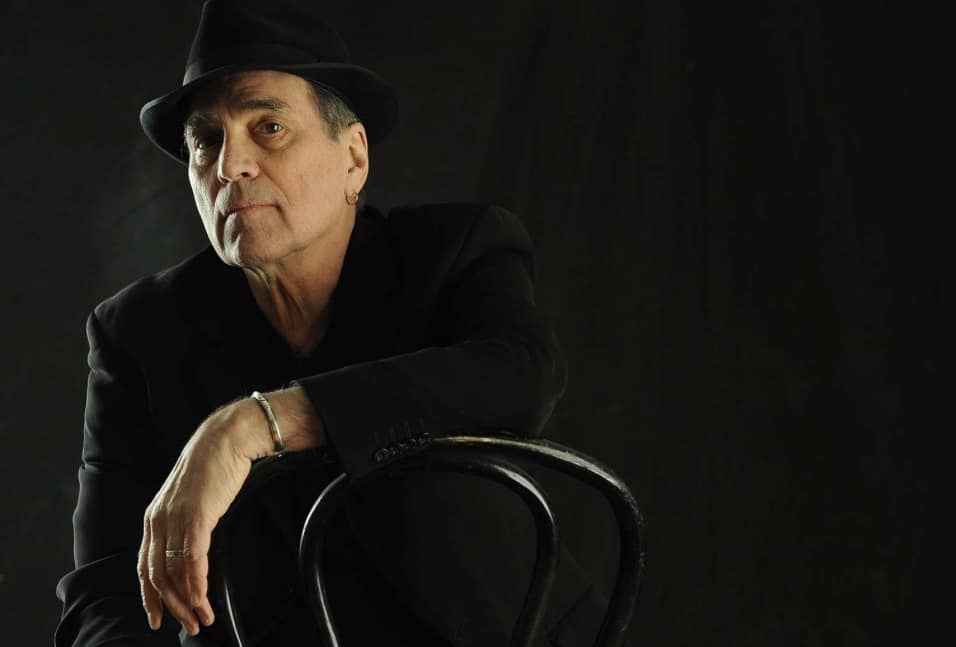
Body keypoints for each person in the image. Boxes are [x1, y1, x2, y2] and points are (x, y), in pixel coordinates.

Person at [55, 1, 606, 645]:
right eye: (207, 140)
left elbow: (522, 372)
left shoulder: (454, 252)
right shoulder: (140, 331)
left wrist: (249, 426)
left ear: (354, 158)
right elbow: (107, 588)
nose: (230, 165)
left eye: (269, 127)